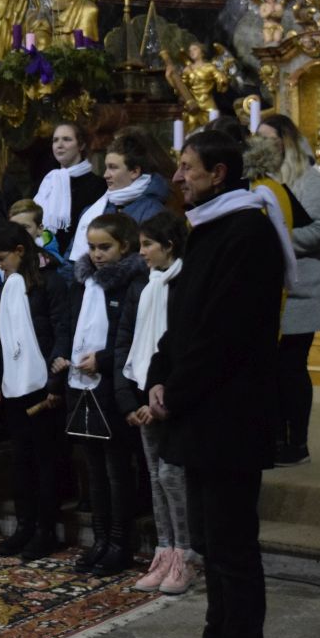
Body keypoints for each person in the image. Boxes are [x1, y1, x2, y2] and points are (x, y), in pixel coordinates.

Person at [147, 131, 291, 638]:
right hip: (201, 409)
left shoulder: (248, 233)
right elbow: (182, 317)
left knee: (233, 548)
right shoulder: (210, 226)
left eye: (188, 167)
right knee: (212, 542)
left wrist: (176, 390)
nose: (178, 177)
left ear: (220, 173)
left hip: (230, 413)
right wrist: (160, 372)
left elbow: (225, 335)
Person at [56, 213, 147, 576]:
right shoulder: (82, 284)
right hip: (81, 385)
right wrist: (63, 357)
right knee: (93, 470)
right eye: (92, 247)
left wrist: (104, 360)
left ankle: (121, 544)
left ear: (124, 246)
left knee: (117, 470)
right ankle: (100, 540)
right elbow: (70, 327)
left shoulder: (132, 285)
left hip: (113, 386)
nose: (96, 254)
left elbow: (132, 337)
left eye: (105, 247)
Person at [114, 211, 195, 595]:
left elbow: (182, 348)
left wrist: (164, 397)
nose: (141, 252)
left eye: (148, 245)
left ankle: (186, 555)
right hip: (143, 394)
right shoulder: (144, 285)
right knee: (154, 477)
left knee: (172, 476)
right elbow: (129, 341)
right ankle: (164, 551)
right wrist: (131, 400)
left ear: (170, 246)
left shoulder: (185, 285)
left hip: (173, 398)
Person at [0, 222, 72, 560]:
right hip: (14, 385)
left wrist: (55, 383)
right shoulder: (8, 286)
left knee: (45, 462)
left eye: (1, 259)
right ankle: (24, 526)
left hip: (42, 385)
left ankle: (45, 531)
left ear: (20, 251)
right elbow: (2, 338)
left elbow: (61, 330)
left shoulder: (51, 282)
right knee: (21, 460)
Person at [258, 115, 320, 467]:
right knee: (270, 370)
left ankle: (297, 442)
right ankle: (274, 437)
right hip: (271, 290)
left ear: (285, 140)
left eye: (267, 137)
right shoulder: (263, 180)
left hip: (301, 291)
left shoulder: (309, 180)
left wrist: (275, 235)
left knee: (291, 368)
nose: (259, 143)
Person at [68, 126, 170, 262]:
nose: (105, 175)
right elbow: (69, 261)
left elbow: (150, 260)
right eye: (106, 167)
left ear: (134, 172)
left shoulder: (153, 212)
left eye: (113, 168)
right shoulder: (92, 210)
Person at [32, 122, 105, 257]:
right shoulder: (47, 182)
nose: (59, 145)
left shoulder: (97, 185)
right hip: (44, 257)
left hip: (77, 256)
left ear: (81, 145)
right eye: (55, 140)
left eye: (67, 139)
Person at [8, 198, 69, 275]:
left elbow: (58, 260)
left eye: (25, 227)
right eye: (13, 227)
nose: (18, 232)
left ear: (40, 229)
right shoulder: (3, 246)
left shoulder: (46, 239)